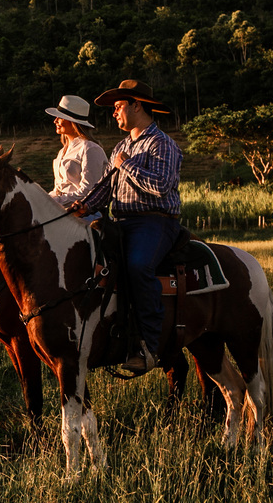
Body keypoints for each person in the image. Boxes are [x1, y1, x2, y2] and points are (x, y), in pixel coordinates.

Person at [68, 79, 182, 375]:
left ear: (137, 105)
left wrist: (126, 165)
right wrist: (85, 206)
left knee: (138, 266)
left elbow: (161, 185)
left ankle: (148, 344)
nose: (115, 112)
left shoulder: (162, 143)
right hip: (119, 222)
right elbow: (105, 189)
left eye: (119, 106)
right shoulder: (121, 146)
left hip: (153, 221)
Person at [43, 94, 108, 217]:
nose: (55, 120)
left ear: (73, 122)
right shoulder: (62, 152)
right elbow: (58, 189)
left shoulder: (90, 149)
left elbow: (88, 191)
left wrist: (53, 202)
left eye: (60, 117)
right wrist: (43, 199)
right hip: (63, 211)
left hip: (85, 213)